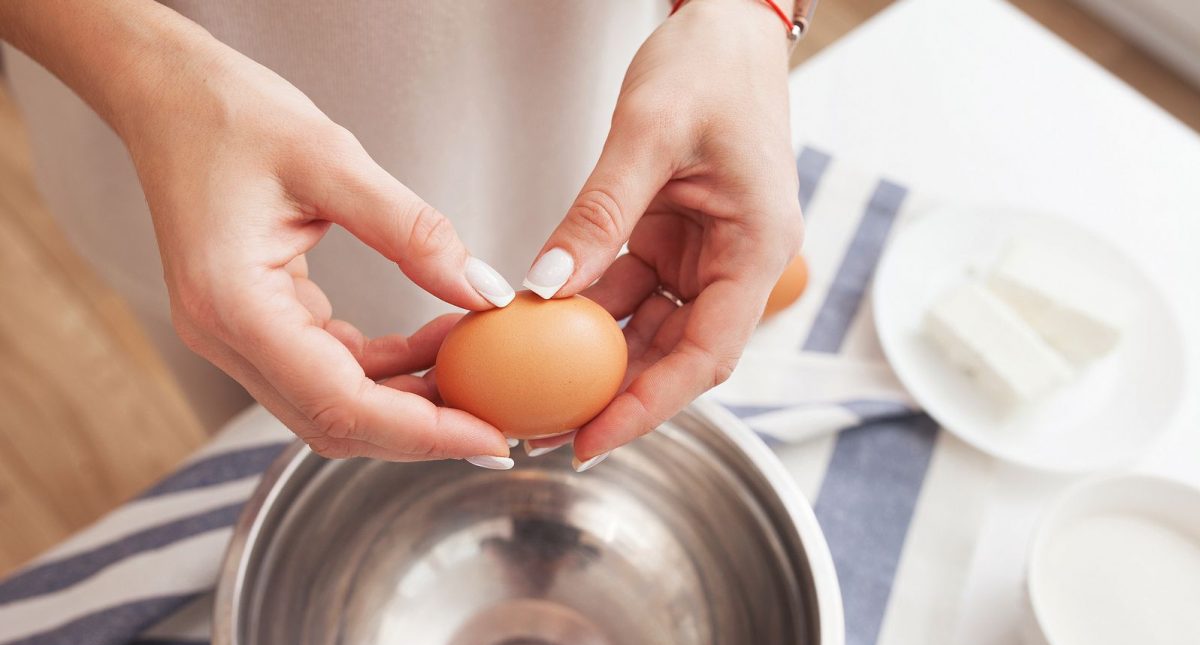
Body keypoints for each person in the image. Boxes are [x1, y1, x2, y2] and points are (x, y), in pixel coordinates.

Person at [0, 0, 805, 470]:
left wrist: (748, 13)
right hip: (183, 159)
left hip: (590, 104)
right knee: (249, 406)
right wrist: (149, 76)